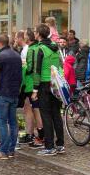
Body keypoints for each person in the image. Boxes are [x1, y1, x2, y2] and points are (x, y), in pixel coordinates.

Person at [0, 34, 22, 160]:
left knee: (2, 122)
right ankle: (11, 150)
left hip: (2, 93)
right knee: (13, 122)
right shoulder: (17, 55)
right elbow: (19, 76)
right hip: (14, 93)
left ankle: (3, 151)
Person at [31, 24, 65, 156]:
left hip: (44, 85)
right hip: (55, 84)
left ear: (39, 34)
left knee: (46, 115)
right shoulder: (55, 47)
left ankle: (49, 146)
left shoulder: (40, 49)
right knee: (56, 114)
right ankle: (60, 145)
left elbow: (37, 71)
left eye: (35, 31)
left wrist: (35, 90)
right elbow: (61, 65)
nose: (34, 33)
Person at [23, 30, 44, 148]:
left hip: (32, 83)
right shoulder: (39, 47)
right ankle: (39, 135)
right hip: (39, 82)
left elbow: (30, 68)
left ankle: (41, 137)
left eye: (25, 36)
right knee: (36, 109)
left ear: (29, 38)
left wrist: (23, 67)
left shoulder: (31, 49)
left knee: (36, 110)